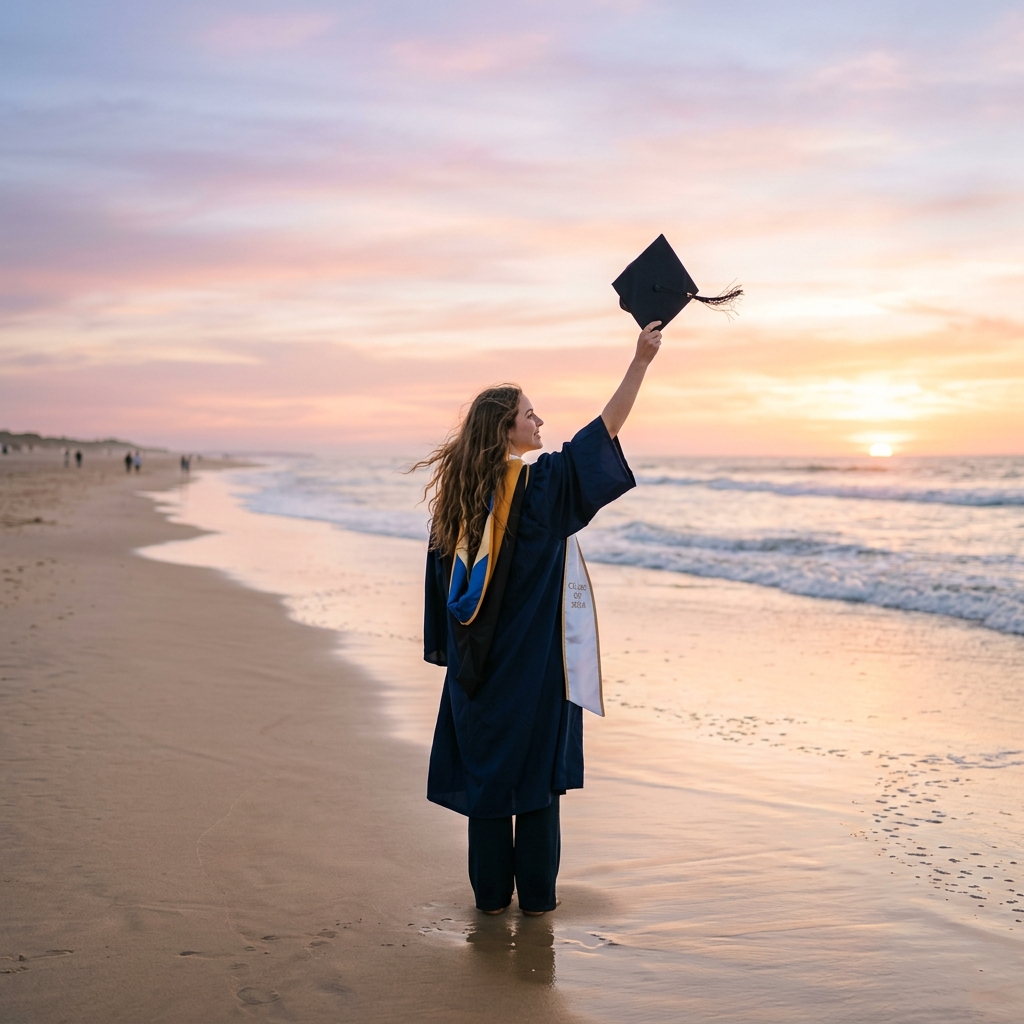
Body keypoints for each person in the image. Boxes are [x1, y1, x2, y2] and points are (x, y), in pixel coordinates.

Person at [418, 320, 663, 916]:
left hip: (476, 683)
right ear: (506, 428)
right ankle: (535, 910)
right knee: (534, 795)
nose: (540, 423)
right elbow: (604, 431)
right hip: (534, 677)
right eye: (530, 415)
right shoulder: (541, 490)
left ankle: (490, 904)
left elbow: (440, 614)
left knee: (488, 795)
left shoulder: (455, 508)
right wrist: (640, 361)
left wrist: (463, 673)